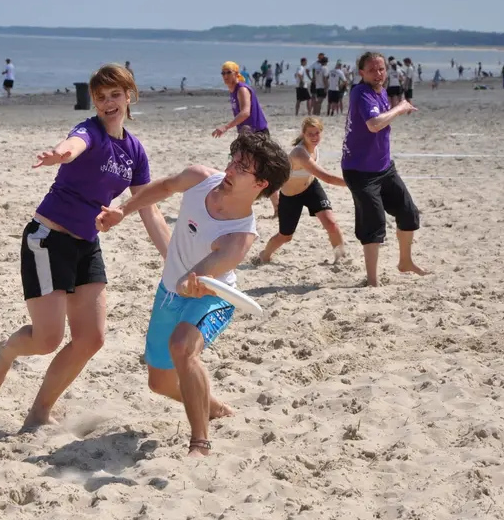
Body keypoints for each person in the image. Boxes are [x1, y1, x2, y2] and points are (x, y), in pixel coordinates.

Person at [0, 64, 170, 428]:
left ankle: (39, 413)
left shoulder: (135, 151)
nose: (107, 103)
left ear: (129, 96)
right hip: (48, 240)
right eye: (100, 97)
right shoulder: (90, 131)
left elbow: (149, 210)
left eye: (115, 94)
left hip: (87, 244)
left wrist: (175, 260)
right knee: (46, 339)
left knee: (91, 339)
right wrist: (59, 154)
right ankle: (5, 354)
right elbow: (74, 145)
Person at [94, 131, 291, 456]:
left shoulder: (239, 236)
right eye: (234, 160)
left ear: (261, 185)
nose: (230, 169)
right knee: (158, 382)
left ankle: (200, 441)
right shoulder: (200, 178)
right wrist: (123, 211)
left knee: (182, 348)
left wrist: (192, 280)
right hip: (170, 291)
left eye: (243, 168)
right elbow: (165, 187)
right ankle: (211, 405)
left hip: (213, 297)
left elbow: (203, 272)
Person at [341, 51, 426, 287]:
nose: (378, 74)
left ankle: (405, 262)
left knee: (409, 213)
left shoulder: (381, 92)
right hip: (359, 171)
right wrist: (400, 108)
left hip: (384, 167)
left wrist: (395, 108)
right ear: (362, 73)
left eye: (381, 69)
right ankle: (372, 280)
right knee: (374, 223)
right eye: (372, 70)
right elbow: (374, 125)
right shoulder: (361, 93)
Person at [257, 116, 347, 264]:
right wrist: (355, 184)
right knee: (285, 236)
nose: (314, 137)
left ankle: (340, 258)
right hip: (291, 196)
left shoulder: (315, 147)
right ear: (303, 134)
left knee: (331, 223)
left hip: (311, 187)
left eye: (317, 133)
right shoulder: (299, 153)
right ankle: (264, 255)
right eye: (310, 134)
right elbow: (328, 178)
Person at [212, 61, 278, 217]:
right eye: (223, 73)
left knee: (250, 171)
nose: (226, 76)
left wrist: (225, 127)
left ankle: (275, 207)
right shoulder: (233, 91)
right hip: (247, 136)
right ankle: (277, 207)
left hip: (257, 135)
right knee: (254, 171)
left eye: (229, 72)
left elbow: (245, 112)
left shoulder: (241, 89)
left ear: (236, 73)